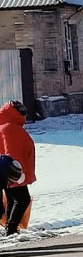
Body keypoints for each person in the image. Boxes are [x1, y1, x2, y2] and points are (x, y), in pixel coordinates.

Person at [0, 101, 35, 236]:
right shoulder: (10, 128)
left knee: (12, 199)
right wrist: (17, 172)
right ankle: (11, 229)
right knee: (22, 199)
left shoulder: (5, 126)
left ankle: (10, 228)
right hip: (13, 171)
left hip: (7, 171)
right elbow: (11, 151)